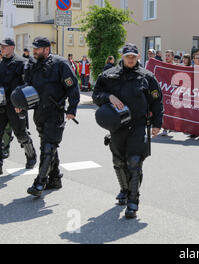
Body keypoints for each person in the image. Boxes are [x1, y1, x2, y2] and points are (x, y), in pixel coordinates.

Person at [93, 43, 163, 219]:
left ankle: (133, 201)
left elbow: (157, 101)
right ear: (122, 57)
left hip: (138, 125)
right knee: (119, 161)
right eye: (127, 56)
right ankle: (124, 190)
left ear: (138, 57)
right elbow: (96, 94)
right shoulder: (108, 76)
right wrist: (108, 96)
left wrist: (157, 124)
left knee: (134, 162)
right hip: (117, 126)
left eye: (133, 56)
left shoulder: (147, 77)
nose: (130, 59)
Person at [15, 37, 80, 197]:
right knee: (47, 144)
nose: (34, 52)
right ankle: (55, 178)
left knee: (49, 146)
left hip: (55, 111)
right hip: (39, 111)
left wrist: (72, 108)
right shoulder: (32, 63)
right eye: (34, 49)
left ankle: (40, 182)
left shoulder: (60, 64)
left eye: (38, 49)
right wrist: (20, 104)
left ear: (47, 49)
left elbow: (72, 87)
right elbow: (27, 86)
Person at [0, 38, 37, 175]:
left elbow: (27, 84)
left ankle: (31, 156)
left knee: (21, 133)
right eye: (1, 47)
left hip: (16, 106)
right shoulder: (1, 64)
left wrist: (22, 104)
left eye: (4, 47)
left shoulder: (22, 63)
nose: (2, 49)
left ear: (12, 47)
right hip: (2, 105)